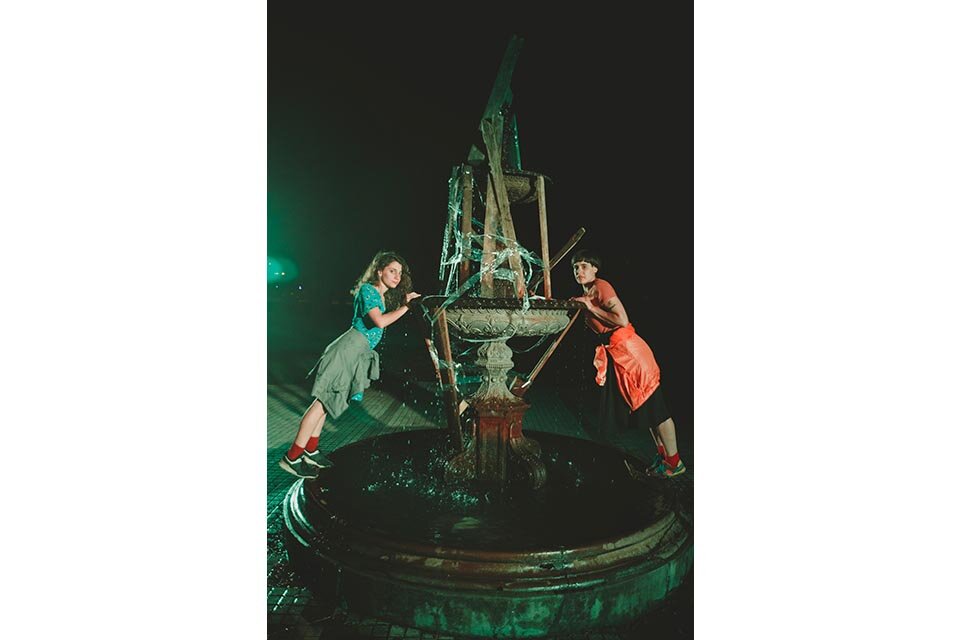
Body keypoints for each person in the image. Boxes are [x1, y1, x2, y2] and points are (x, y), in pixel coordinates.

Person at [278, 250, 421, 479]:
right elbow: (379, 321)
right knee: (320, 403)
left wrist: (402, 304)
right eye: (392, 271)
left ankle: (311, 451)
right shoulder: (369, 290)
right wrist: (406, 307)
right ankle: (291, 458)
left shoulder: (380, 295)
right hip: (348, 349)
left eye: (400, 273)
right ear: (379, 271)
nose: (397, 276)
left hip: (357, 351)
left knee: (327, 402)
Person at [570, 249, 686, 478]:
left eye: (584, 266)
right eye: (575, 267)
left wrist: (591, 307)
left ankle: (675, 463)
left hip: (631, 355)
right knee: (648, 410)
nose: (579, 271)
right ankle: (664, 459)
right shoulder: (587, 292)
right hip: (620, 355)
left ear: (595, 269)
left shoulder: (602, 287)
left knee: (657, 409)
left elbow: (621, 320)